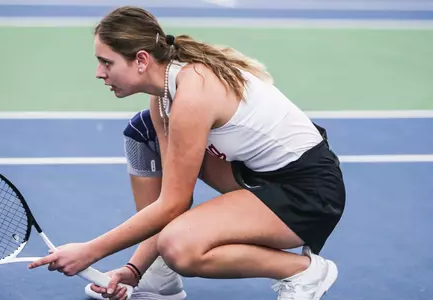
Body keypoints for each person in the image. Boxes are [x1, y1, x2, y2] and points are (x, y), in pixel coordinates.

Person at [28, 6, 346, 300]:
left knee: (180, 246)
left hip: (308, 193)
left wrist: (90, 251)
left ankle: (304, 271)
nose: (99, 72)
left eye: (107, 62)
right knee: (145, 133)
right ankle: (157, 278)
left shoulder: (193, 94)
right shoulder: (164, 97)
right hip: (256, 175)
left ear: (141, 60)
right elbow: (174, 198)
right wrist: (133, 271)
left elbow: (174, 205)